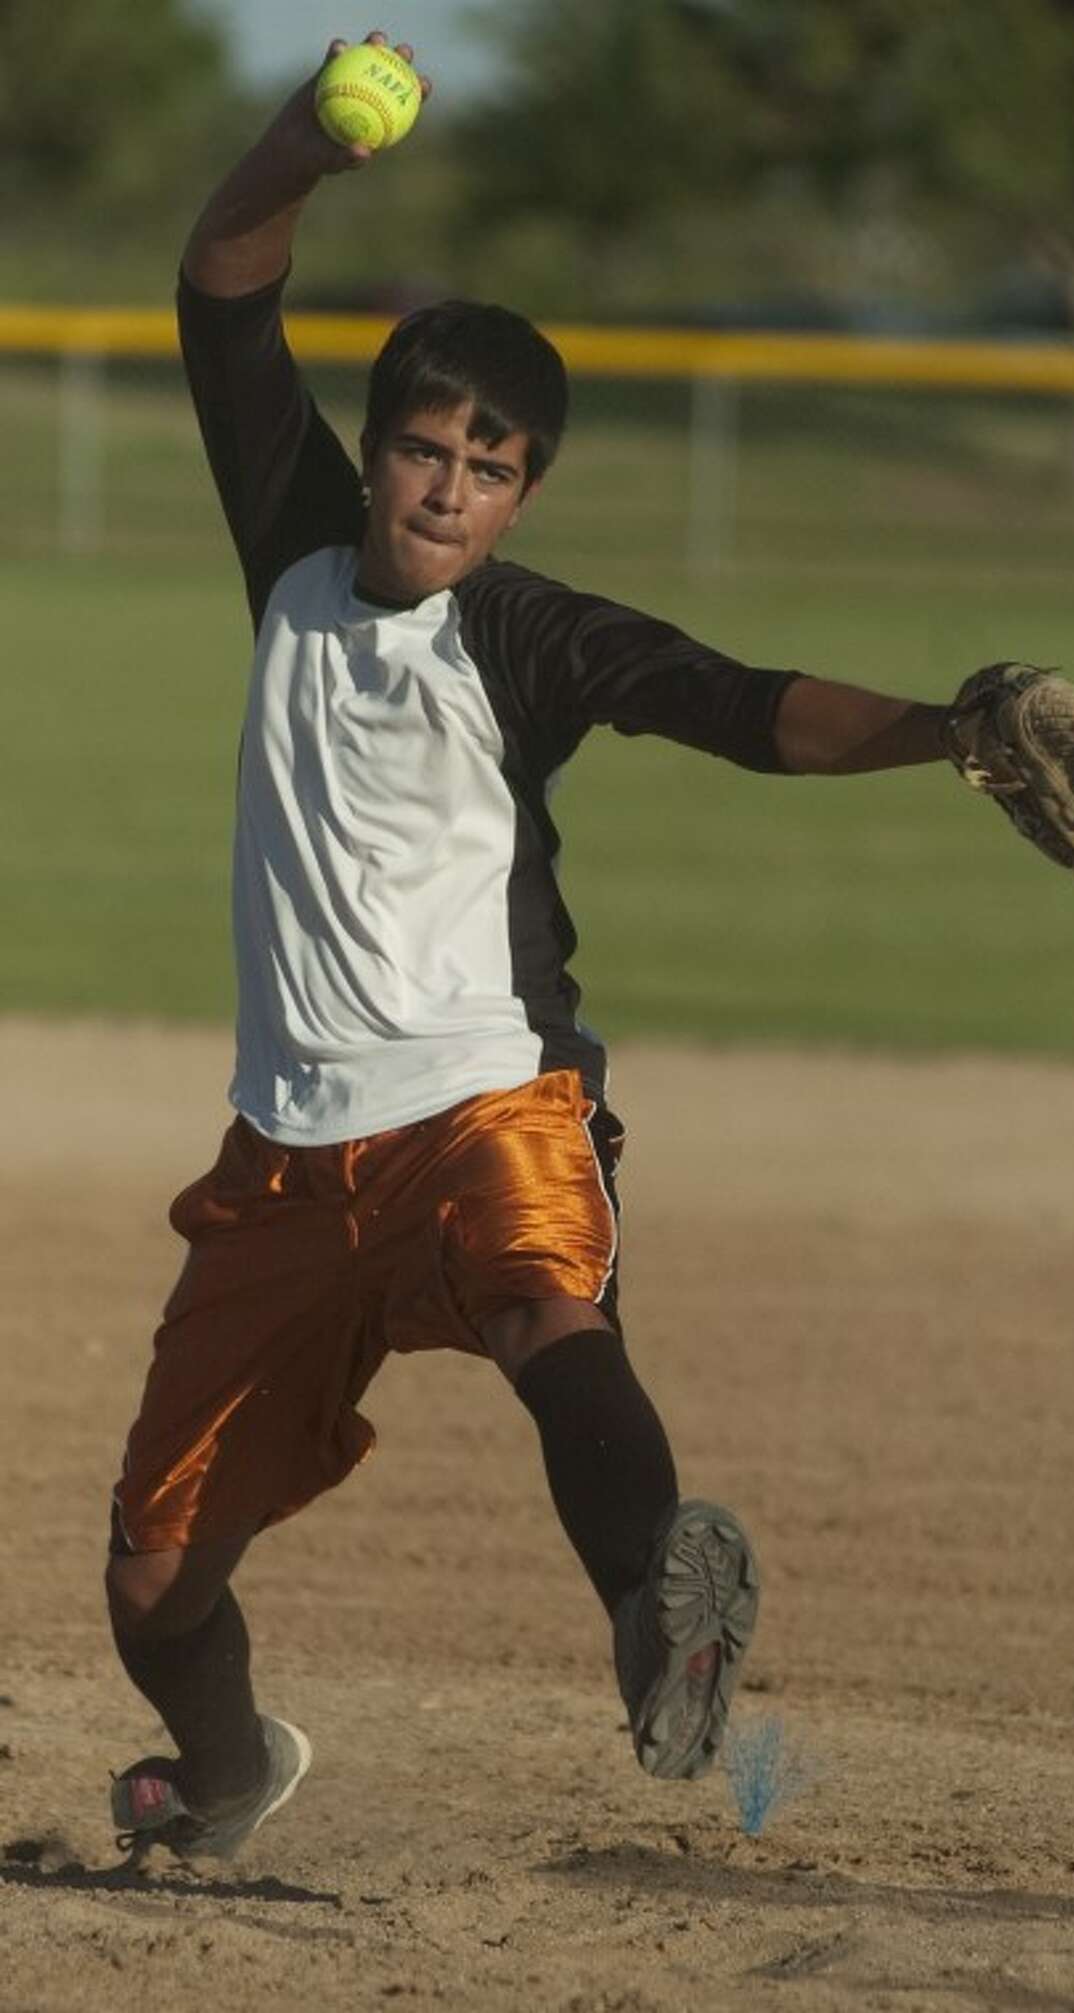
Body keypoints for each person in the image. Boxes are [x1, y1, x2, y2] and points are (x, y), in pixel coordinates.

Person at [105, 34, 952, 1863]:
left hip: (490, 1094)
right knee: (155, 1575)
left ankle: (664, 1608)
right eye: (426, 445)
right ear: (380, 446)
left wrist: (953, 726)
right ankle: (235, 1769)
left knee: (546, 1306)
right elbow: (221, 282)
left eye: (492, 466)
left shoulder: (526, 637)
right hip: (278, 1156)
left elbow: (738, 703)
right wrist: (300, 144)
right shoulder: (295, 547)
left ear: (521, 495)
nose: (448, 487)